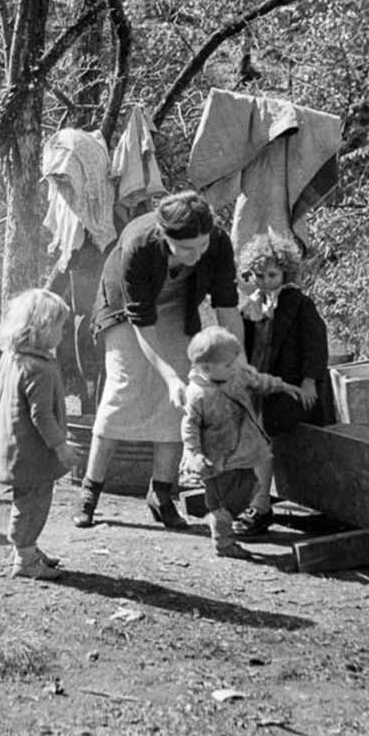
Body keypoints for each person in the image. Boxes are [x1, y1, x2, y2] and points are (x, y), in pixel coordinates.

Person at [74, 189, 242, 531]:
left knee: (180, 399)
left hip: (178, 303)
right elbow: (141, 321)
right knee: (125, 386)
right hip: (127, 309)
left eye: (202, 246)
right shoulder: (139, 243)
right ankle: (90, 492)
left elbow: (226, 306)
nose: (196, 255)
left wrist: (238, 367)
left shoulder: (218, 242)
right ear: (165, 237)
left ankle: (162, 493)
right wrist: (167, 376)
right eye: (186, 249)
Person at [234, 229, 330, 538]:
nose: (265, 281)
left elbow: (316, 344)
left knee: (264, 432)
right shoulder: (251, 305)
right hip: (260, 382)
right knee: (246, 429)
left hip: (290, 387)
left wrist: (309, 381)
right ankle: (251, 497)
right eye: (259, 275)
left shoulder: (298, 304)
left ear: (285, 273)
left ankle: (261, 503)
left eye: (272, 275)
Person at [180, 327, 303, 560]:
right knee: (221, 503)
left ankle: (227, 520)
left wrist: (283, 386)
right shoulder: (197, 394)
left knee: (249, 488)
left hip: (242, 452)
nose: (234, 367)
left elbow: (259, 381)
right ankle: (224, 543)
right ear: (206, 368)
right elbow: (190, 427)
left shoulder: (236, 375)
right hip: (214, 458)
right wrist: (195, 454)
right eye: (227, 365)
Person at [0, 288, 74, 580]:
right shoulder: (37, 368)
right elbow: (41, 415)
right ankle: (24, 558)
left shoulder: (11, 358)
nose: (63, 333)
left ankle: (28, 548)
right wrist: (60, 445)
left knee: (28, 502)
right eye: (60, 327)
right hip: (31, 454)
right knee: (32, 505)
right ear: (42, 328)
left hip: (13, 448)